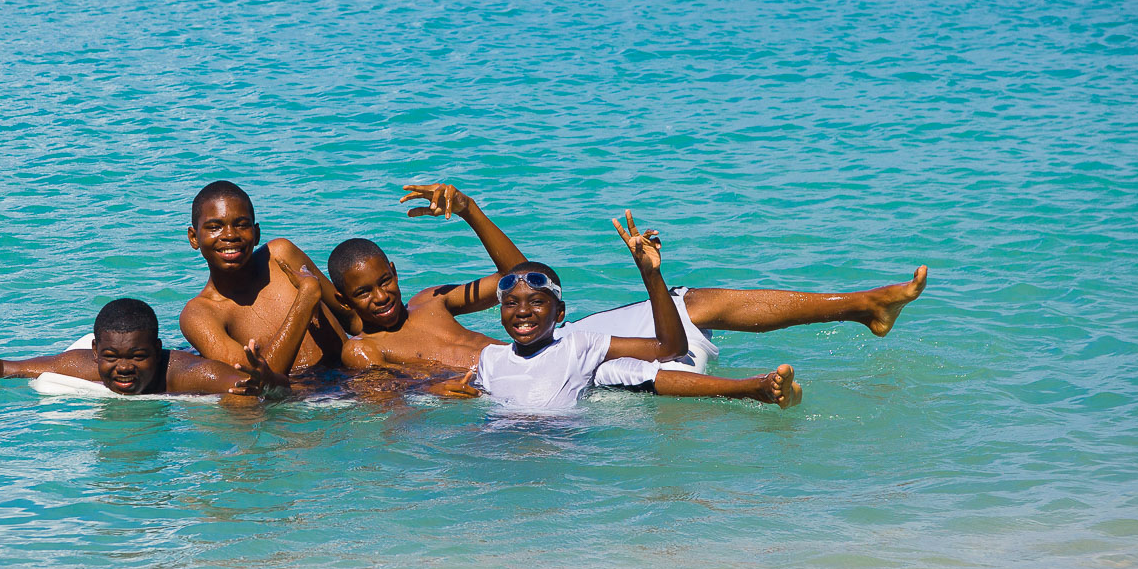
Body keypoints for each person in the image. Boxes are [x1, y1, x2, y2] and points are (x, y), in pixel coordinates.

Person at [325, 183, 810, 405]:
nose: (380, 296)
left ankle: (861, 305)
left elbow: (519, 282)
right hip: (512, 378)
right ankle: (754, 389)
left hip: (543, 345)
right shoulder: (362, 349)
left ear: (395, 271)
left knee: (693, 303)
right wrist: (435, 389)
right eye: (363, 293)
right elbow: (387, 396)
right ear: (345, 301)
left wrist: (471, 210)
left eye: (384, 282)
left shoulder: (431, 300)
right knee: (636, 371)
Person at [431, 213, 795, 409]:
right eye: (511, 303)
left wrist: (650, 275)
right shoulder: (489, 360)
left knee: (632, 372)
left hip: (557, 453)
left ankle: (752, 388)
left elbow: (668, 349)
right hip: (501, 451)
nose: (522, 311)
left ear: (559, 313)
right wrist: (442, 392)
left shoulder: (578, 344)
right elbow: (464, 394)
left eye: (536, 302)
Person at [0, 297, 280, 400]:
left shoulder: (190, 373)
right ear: (95, 352)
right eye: (112, 357)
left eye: (138, 356)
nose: (124, 368)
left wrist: (267, 384)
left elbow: (248, 388)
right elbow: (2, 369)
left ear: (158, 351)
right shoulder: (80, 366)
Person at [179, 180, 345, 375]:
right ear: (193, 237)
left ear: (256, 233)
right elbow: (257, 380)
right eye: (215, 227)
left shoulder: (281, 256)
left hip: (353, 378)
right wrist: (305, 300)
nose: (231, 235)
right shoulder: (199, 314)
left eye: (242, 225)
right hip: (299, 398)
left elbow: (352, 316)